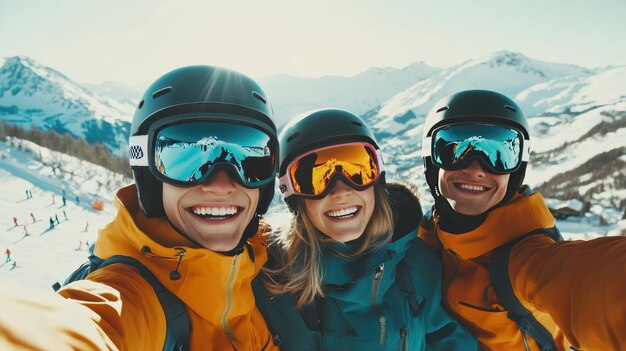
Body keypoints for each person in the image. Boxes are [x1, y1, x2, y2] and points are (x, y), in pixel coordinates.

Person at [0, 65, 281, 350]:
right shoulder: (131, 295)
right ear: (149, 178)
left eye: (250, 158)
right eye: (187, 161)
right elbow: (83, 328)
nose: (221, 185)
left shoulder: (271, 266)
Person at [418, 89, 626, 351]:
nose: (475, 169)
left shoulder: (526, 258)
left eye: (499, 154)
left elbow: (598, 280)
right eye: (454, 150)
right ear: (431, 160)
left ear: (516, 172)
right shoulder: (422, 234)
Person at [255, 109, 477, 350]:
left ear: (376, 182)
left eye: (358, 171)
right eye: (315, 178)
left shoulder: (413, 263)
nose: (340, 191)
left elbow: (449, 340)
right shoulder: (271, 278)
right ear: (293, 196)